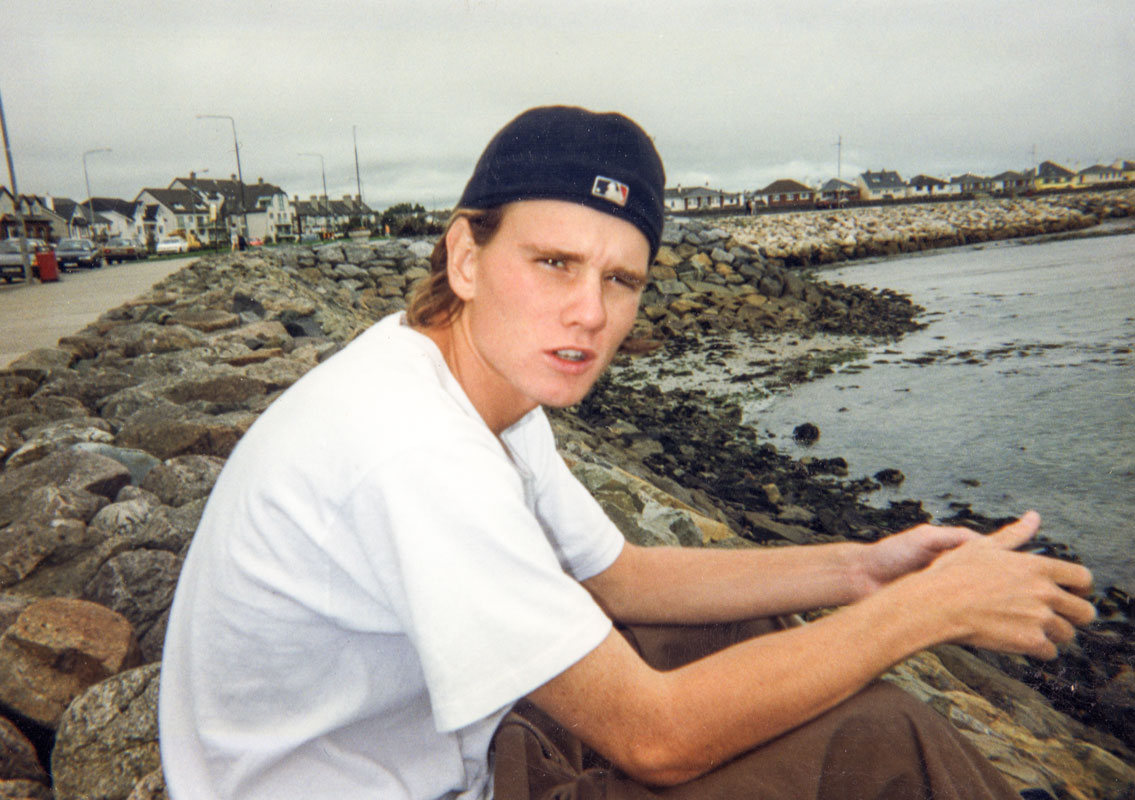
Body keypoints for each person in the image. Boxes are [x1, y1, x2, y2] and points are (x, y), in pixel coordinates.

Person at [158, 106, 1094, 800]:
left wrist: (862, 571)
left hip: (426, 744)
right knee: (883, 740)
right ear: (466, 256)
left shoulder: (472, 383)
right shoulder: (409, 448)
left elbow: (619, 579)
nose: (590, 314)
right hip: (382, 783)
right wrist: (924, 614)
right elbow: (654, 741)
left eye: (620, 279)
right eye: (554, 263)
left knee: (736, 640)